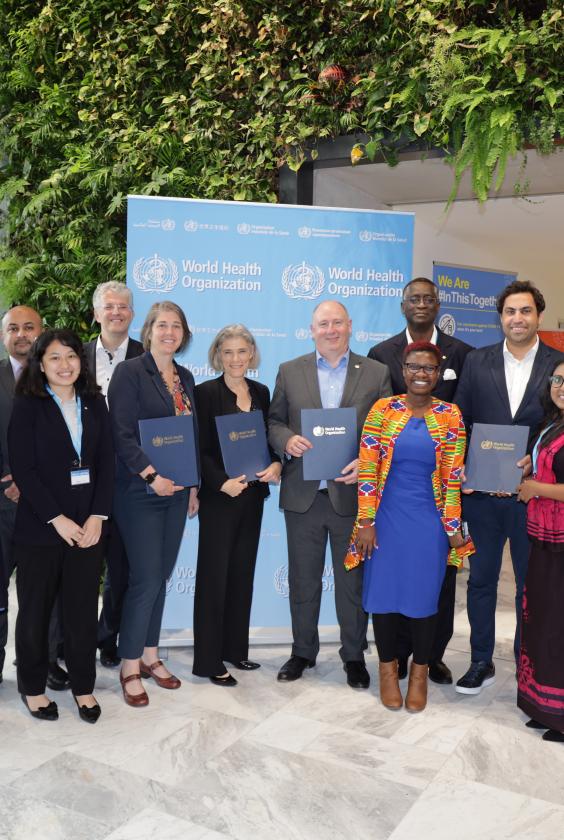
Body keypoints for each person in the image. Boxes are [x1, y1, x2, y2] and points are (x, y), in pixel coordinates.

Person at [268, 299, 392, 688]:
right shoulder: (290, 371)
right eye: (324, 323)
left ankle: (353, 656)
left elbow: (388, 430)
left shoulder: (376, 372)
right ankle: (302, 652)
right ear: (312, 329)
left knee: (351, 584)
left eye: (338, 322)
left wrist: (368, 462)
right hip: (303, 495)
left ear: (350, 326)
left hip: (352, 498)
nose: (331, 329)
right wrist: (287, 440)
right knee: (303, 581)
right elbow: (273, 421)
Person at [347, 342, 472, 712]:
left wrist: (452, 529)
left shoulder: (451, 415)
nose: (421, 373)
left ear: (438, 374)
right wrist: (366, 522)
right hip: (384, 518)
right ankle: (388, 671)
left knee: (423, 600)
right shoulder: (382, 410)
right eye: (414, 367)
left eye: (429, 368)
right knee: (383, 599)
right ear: (403, 370)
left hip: (429, 523)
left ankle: (419, 674)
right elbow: (367, 469)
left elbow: (451, 478)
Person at [454, 280, 562, 695]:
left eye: (526, 311)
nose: (518, 319)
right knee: (479, 581)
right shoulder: (477, 362)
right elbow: (460, 420)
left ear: (538, 316)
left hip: (530, 496)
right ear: (500, 318)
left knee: (527, 585)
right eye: (510, 312)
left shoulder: (559, 366)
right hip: (481, 496)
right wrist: (462, 465)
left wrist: (536, 457)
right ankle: (481, 659)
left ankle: (526, 662)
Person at [368, 277, 473, 685]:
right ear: (403, 304)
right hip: (390, 499)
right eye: (415, 298)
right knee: (389, 587)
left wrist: (468, 467)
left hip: (435, 501)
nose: (422, 304)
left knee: (435, 586)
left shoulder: (460, 354)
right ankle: (392, 663)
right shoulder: (381, 354)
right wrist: (365, 518)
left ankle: (429, 659)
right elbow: (370, 447)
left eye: (430, 298)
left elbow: (469, 415)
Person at [9, 329, 114, 722]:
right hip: (41, 528)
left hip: (88, 528)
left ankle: (84, 686)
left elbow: (107, 462)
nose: (64, 365)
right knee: (35, 612)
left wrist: (97, 517)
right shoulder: (28, 405)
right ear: (40, 364)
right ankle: (33, 688)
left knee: (83, 611)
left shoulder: (94, 402)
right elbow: (25, 469)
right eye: (54, 357)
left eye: (70, 356)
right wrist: (58, 519)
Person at [108, 301, 199, 707]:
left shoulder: (186, 377)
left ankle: (149, 655)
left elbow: (189, 435)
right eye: (162, 325)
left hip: (178, 494)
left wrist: (192, 486)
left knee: (160, 576)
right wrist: (151, 476)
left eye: (176, 326)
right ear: (149, 331)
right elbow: (121, 435)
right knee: (144, 579)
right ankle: (129, 665)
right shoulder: (129, 373)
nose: (169, 332)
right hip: (140, 492)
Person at [193, 325, 281, 686]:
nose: (235, 359)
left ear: (252, 354)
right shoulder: (205, 393)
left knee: (241, 574)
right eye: (227, 352)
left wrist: (277, 464)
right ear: (217, 355)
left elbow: (271, 438)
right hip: (220, 498)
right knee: (214, 578)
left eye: (242, 351)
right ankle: (209, 660)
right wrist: (219, 483)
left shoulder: (261, 392)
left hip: (253, 496)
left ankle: (234, 650)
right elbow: (199, 448)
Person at [0, 305, 70, 692]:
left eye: (30, 327)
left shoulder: (60, 378)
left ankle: (43, 661)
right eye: (14, 328)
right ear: (3, 335)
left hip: (48, 506)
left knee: (45, 591)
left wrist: (35, 482)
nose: (22, 334)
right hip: (2, 504)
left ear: (41, 332)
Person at [84, 281, 144, 669]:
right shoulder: (75, 355)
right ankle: (68, 641)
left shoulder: (147, 357)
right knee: (79, 567)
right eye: (109, 306)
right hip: (82, 479)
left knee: (121, 568)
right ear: (96, 313)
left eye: (123, 306)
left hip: (129, 478)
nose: (117, 311)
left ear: (132, 314)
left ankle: (109, 637)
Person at [516, 358, 564, 742]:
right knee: (544, 620)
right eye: (558, 379)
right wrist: (527, 468)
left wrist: (537, 488)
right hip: (544, 538)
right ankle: (543, 706)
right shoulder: (552, 424)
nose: (561, 386)